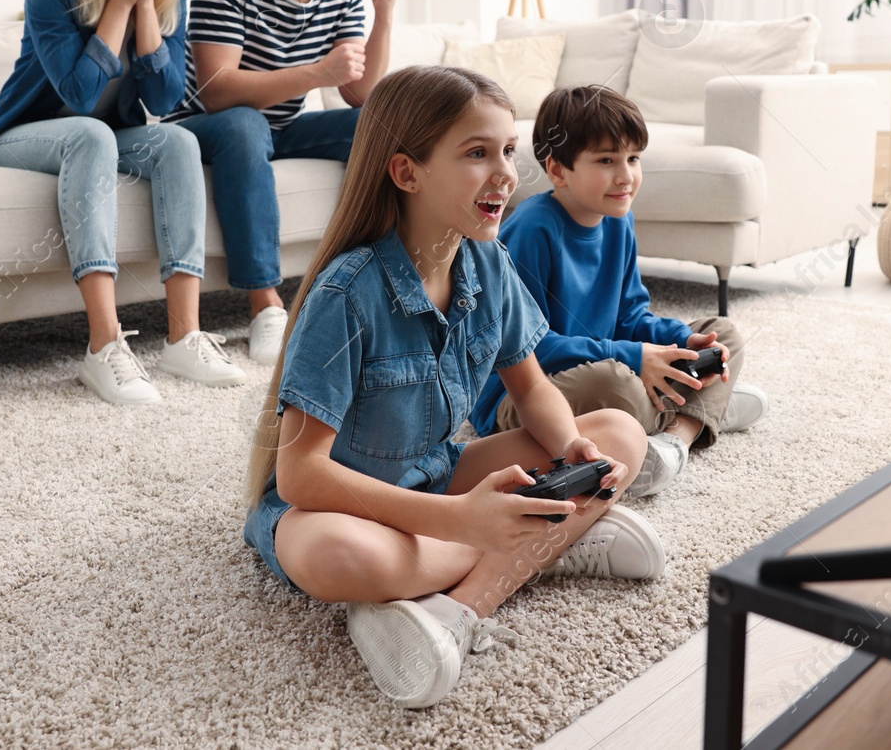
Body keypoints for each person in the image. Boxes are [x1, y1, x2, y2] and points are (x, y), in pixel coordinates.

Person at [242, 65, 664, 710]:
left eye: (507, 152)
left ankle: (459, 609)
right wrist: (461, 520)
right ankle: (545, 542)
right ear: (407, 172)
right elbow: (300, 477)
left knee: (618, 433)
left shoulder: (486, 261)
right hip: (345, 507)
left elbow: (532, 387)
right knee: (337, 558)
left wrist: (571, 447)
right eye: (476, 153)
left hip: (438, 475)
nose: (503, 173)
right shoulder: (346, 294)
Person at [0, 0, 246, 404]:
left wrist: (144, 4)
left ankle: (185, 335)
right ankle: (103, 345)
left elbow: (163, 103)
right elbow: (81, 96)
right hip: (19, 136)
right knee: (91, 133)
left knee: (179, 141)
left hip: (108, 134)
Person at [470, 85, 770, 498]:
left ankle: (676, 439)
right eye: (607, 161)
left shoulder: (618, 220)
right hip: (524, 396)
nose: (626, 176)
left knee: (725, 335)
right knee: (618, 384)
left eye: (633, 159)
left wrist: (680, 341)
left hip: (601, 362)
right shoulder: (532, 229)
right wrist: (633, 356)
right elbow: (528, 350)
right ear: (558, 170)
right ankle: (700, 410)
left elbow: (631, 317)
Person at [167, 0, 401, 365]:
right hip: (202, 127)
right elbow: (216, 90)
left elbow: (360, 95)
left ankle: (386, 284)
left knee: (382, 125)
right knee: (245, 123)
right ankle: (266, 306)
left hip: (284, 127)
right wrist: (318, 72)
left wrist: (382, 15)